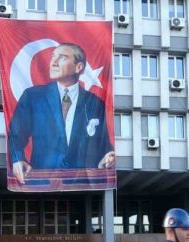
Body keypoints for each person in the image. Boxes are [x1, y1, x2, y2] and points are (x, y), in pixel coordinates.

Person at [8, 43, 115, 184]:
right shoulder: (33, 96)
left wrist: (108, 155)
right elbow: (15, 134)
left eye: (62, 57)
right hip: (41, 183)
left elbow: (102, 143)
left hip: (80, 185)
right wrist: (18, 159)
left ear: (79, 67)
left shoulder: (95, 103)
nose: (54, 62)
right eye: (53, 57)